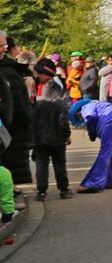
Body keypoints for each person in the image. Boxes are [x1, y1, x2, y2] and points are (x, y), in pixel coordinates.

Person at [68, 99, 112, 193]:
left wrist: (91, 133)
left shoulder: (86, 107)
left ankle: (94, 182)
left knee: (105, 153)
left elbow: (90, 117)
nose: (81, 118)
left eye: (79, 116)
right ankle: (110, 180)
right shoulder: (101, 105)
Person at [30, 61, 72, 201]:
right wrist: (66, 134)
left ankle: (41, 191)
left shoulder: (36, 91)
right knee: (58, 164)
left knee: (42, 165)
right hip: (55, 137)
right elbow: (63, 118)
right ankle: (63, 190)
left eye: (39, 73)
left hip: (40, 136)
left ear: (45, 74)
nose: (36, 75)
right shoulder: (59, 92)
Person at [0, 31, 32, 187]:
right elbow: (16, 104)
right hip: (11, 128)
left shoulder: (8, 69)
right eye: (2, 46)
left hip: (9, 128)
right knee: (9, 165)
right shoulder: (9, 70)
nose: (3, 49)